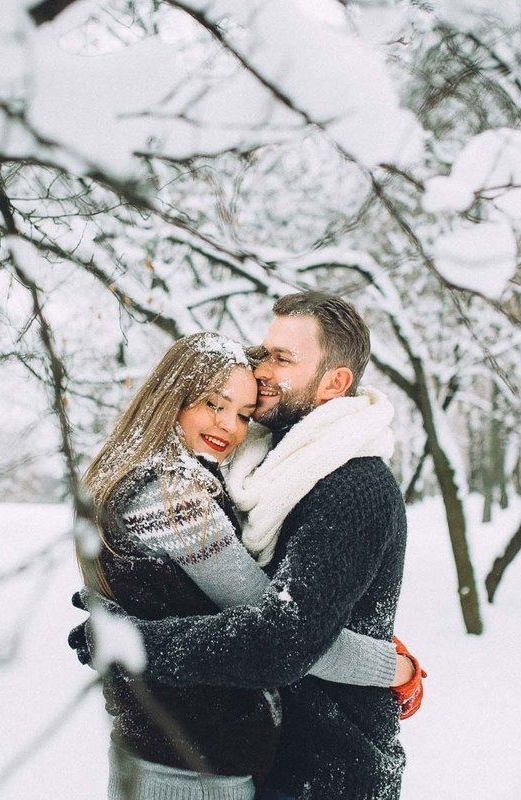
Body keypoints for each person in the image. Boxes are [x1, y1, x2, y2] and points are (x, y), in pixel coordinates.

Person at [73, 293, 421, 800]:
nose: (263, 370)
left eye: (283, 359)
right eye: (264, 351)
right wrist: (394, 665)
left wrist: (130, 643)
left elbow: (285, 638)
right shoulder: (240, 476)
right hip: (222, 760)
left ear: (334, 383)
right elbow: (275, 630)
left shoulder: (353, 486)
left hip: (333, 770)